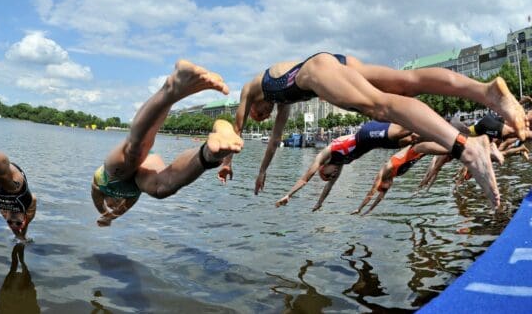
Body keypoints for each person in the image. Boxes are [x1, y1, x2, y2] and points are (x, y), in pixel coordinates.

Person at [224, 52, 528, 209]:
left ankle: (466, 147)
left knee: (381, 106)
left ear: (252, 106)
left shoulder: (251, 88)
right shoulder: (281, 102)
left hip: (318, 69)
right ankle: (486, 92)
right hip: (333, 62)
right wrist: (262, 171)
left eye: (259, 115)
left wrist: (226, 161)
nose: (264, 116)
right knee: (406, 82)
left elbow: (237, 130)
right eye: (263, 116)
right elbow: (275, 140)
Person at [90, 60, 244, 226]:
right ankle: (210, 153)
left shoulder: (99, 188)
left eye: (111, 205)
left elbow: (99, 204)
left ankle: (171, 90)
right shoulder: (130, 199)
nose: (114, 206)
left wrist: (103, 213)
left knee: (134, 150)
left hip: (115, 171)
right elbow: (119, 211)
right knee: (162, 189)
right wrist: (109, 218)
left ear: (106, 200)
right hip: (139, 178)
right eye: (115, 207)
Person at [274, 121, 416, 211]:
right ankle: (434, 132)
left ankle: (426, 120)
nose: (333, 175)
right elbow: (329, 187)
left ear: (323, 168)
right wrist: (319, 203)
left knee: (406, 130)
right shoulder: (340, 164)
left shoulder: (327, 153)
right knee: (413, 139)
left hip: (367, 134)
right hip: (376, 143)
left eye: (329, 175)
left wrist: (288, 194)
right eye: (332, 176)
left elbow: (305, 178)